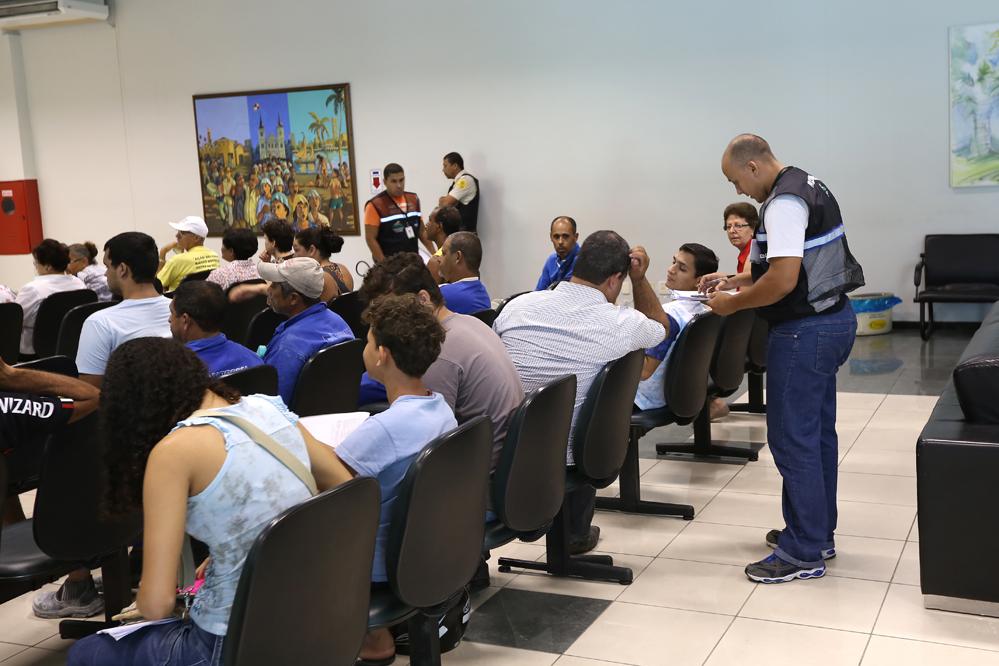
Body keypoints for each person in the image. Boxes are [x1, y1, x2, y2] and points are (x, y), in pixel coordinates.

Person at [65, 338, 354, 666]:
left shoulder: (174, 452)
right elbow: (345, 486)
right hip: (315, 614)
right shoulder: (266, 407)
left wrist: (147, 594)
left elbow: (157, 605)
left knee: (85, 654)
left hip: (231, 641)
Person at [705, 134, 865, 583]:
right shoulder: (807, 184)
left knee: (793, 439)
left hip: (804, 332)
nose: (738, 190)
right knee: (816, 435)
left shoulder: (783, 203)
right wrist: (737, 280)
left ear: (753, 166)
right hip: (832, 319)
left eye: (735, 180)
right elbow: (791, 263)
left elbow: (783, 281)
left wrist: (732, 305)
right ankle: (816, 532)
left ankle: (803, 551)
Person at [495, 231, 670, 554]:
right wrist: (639, 278)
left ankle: (568, 533)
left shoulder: (516, 307)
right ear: (615, 280)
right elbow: (660, 328)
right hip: (576, 453)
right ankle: (575, 535)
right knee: (585, 410)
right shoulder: (621, 324)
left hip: (506, 451)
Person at [329, 294, 456, 665]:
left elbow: (326, 480)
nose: (365, 348)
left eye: (368, 341)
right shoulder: (440, 408)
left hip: (377, 565)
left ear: (382, 354)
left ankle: (368, 635)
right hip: (424, 550)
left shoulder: (384, 430)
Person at [358, 254, 523, 466]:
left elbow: (422, 441)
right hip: (499, 462)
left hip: (476, 472)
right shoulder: (469, 322)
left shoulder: (437, 352)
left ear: (423, 299)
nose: (382, 324)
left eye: (391, 312)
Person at [76, 232, 172, 387]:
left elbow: (89, 391)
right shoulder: (181, 312)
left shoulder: (100, 323)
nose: (105, 273)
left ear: (122, 269)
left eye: (107, 266)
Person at [634, 244, 719, 412]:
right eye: (674, 262)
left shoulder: (669, 316)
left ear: (699, 281)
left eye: (682, 268)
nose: (671, 270)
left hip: (644, 399)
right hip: (673, 394)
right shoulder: (705, 312)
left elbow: (644, 372)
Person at [258, 258, 353, 404]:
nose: (268, 289)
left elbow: (270, 404)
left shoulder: (288, 346)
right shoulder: (338, 321)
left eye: (274, 285)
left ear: (293, 298)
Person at [169, 281, 264, 378]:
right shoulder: (255, 362)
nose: (169, 319)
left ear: (185, 320)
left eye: (172, 313)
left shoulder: (171, 370)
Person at [16, 239, 87, 356]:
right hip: (70, 348)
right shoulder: (79, 284)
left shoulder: (33, 289)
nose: (35, 267)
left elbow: (15, 321)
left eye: (36, 263)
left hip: (34, 353)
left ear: (48, 266)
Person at [364, 163, 429, 262]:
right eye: (394, 181)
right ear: (385, 182)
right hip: (390, 263)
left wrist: (435, 254)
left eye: (401, 180)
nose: (399, 185)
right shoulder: (375, 205)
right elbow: (370, 238)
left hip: (413, 262)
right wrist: (384, 265)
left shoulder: (413, 199)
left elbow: (422, 232)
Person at [156, 216, 221, 293]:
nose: (176, 236)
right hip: (206, 298)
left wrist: (163, 252)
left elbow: (157, 286)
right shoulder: (215, 256)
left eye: (181, 233)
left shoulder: (177, 260)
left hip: (180, 299)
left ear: (196, 238)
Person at [293, 226, 354, 301]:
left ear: (312, 250)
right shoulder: (343, 269)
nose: (294, 256)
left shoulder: (315, 277)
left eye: (296, 250)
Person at [438, 232, 491, 314]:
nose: (439, 259)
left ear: (457, 257)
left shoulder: (441, 294)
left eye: (444, 253)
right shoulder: (483, 295)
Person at [438, 152, 480, 233]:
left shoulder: (465, 181)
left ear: (455, 166)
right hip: (460, 233)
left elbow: (445, 204)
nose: (443, 170)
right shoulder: (458, 181)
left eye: (445, 166)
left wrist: (441, 199)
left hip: (465, 235)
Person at [535, 216, 580, 290]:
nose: (560, 242)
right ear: (551, 237)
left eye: (565, 236)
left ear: (575, 237)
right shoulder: (551, 260)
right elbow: (539, 292)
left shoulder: (583, 261)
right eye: (556, 237)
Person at [424, 206, 463, 283]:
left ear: (439, 226)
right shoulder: (465, 253)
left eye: (430, 220)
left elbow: (432, 291)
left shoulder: (436, 262)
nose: (426, 225)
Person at [723, 201, 760, 277]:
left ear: (753, 228)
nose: (731, 231)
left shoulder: (755, 251)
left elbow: (748, 283)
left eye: (738, 226)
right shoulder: (745, 252)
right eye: (729, 227)